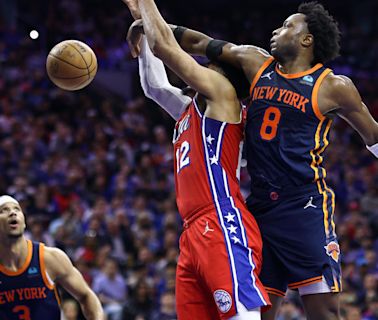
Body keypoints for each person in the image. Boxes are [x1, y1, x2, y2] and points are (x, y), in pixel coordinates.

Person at [124, 1, 378, 319]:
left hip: (304, 208)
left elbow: (373, 135)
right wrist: (148, 24)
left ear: (307, 39)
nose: (277, 29)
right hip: (261, 210)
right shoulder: (255, 62)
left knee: (323, 312)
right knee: (261, 311)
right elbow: (200, 44)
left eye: (288, 25)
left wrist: (149, 23)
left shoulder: (334, 86)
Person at [122, 1, 271, 319]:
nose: (198, 65)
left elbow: (165, 46)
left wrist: (147, 6)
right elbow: (155, 87)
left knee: (241, 314)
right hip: (193, 232)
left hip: (220, 220)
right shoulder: (195, 110)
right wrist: (143, 23)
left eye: (206, 63)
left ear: (219, 74)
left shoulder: (222, 94)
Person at [0, 195, 104, 320]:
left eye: (17, 209)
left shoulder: (49, 258)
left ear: (24, 222)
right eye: (3, 210)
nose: (12, 213)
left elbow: (86, 295)